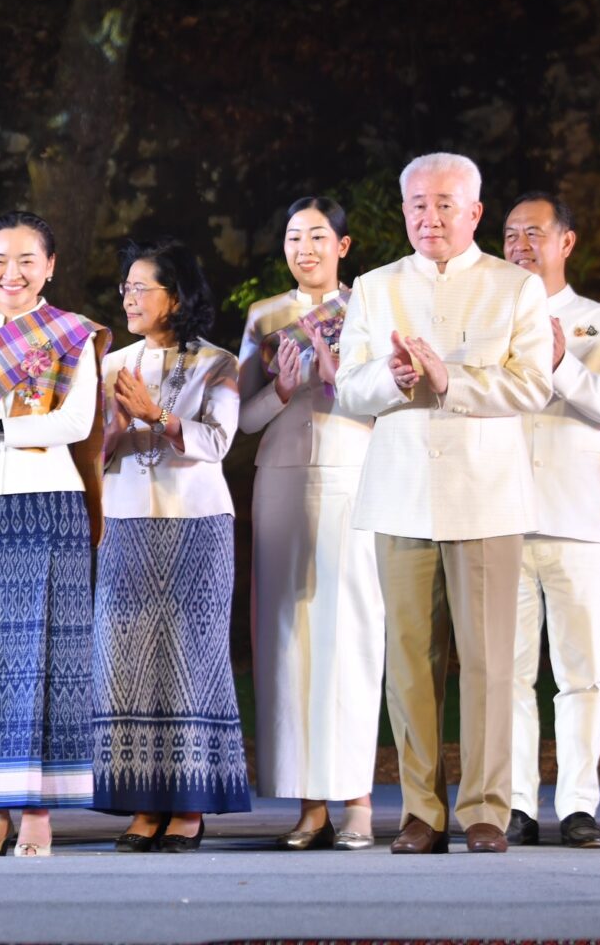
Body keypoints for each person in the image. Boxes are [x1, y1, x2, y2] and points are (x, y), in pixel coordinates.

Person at [335, 152, 552, 855]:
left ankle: (486, 809)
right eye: (418, 205)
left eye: (444, 204)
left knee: (489, 662)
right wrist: (395, 377)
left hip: (485, 496)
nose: (430, 217)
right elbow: (349, 388)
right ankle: (420, 813)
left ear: (475, 213)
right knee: (409, 663)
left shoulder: (515, 287)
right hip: (400, 494)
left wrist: (448, 379)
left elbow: (532, 386)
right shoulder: (375, 287)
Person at [0, 210, 107, 859]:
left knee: (46, 659)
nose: (12, 272)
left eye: (27, 260)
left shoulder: (71, 333)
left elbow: (78, 421)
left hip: (47, 506)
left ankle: (37, 810)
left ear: (50, 267)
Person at [95, 237, 249, 852]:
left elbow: (218, 442)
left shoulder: (218, 364)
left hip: (198, 523)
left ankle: (189, 804)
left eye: (142, 288)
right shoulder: (109, 365)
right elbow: (93, 454)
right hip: (124, 521)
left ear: (176, 298)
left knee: (193, 656)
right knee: (126, 657)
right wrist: (114, 428)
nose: (129, 298)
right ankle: (144, 800)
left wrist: (155, 415)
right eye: (126, 288)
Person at [499, 192, 600, 849]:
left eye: (534, 233)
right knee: (509, 674)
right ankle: (516, 803)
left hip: (578, 519)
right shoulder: (485, 321)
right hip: (501, 516)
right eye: (511, 235)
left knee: (582, 673)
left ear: (566, 242)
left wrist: (561, 363)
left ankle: (579, 804)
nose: (521, 246)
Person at [238, 197, 381, 851]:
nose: (306, 249)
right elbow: (242, 420)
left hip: (354, 475)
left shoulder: (372, 310)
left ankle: (358, 801)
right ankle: (309, 804)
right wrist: (283, 391)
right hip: (282, 480)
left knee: (353, 634)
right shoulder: (265, 317)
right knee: (287, 639)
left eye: (319, 237)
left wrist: (337, 378)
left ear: (343, 246)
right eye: (295, 237)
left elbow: (393, 404)